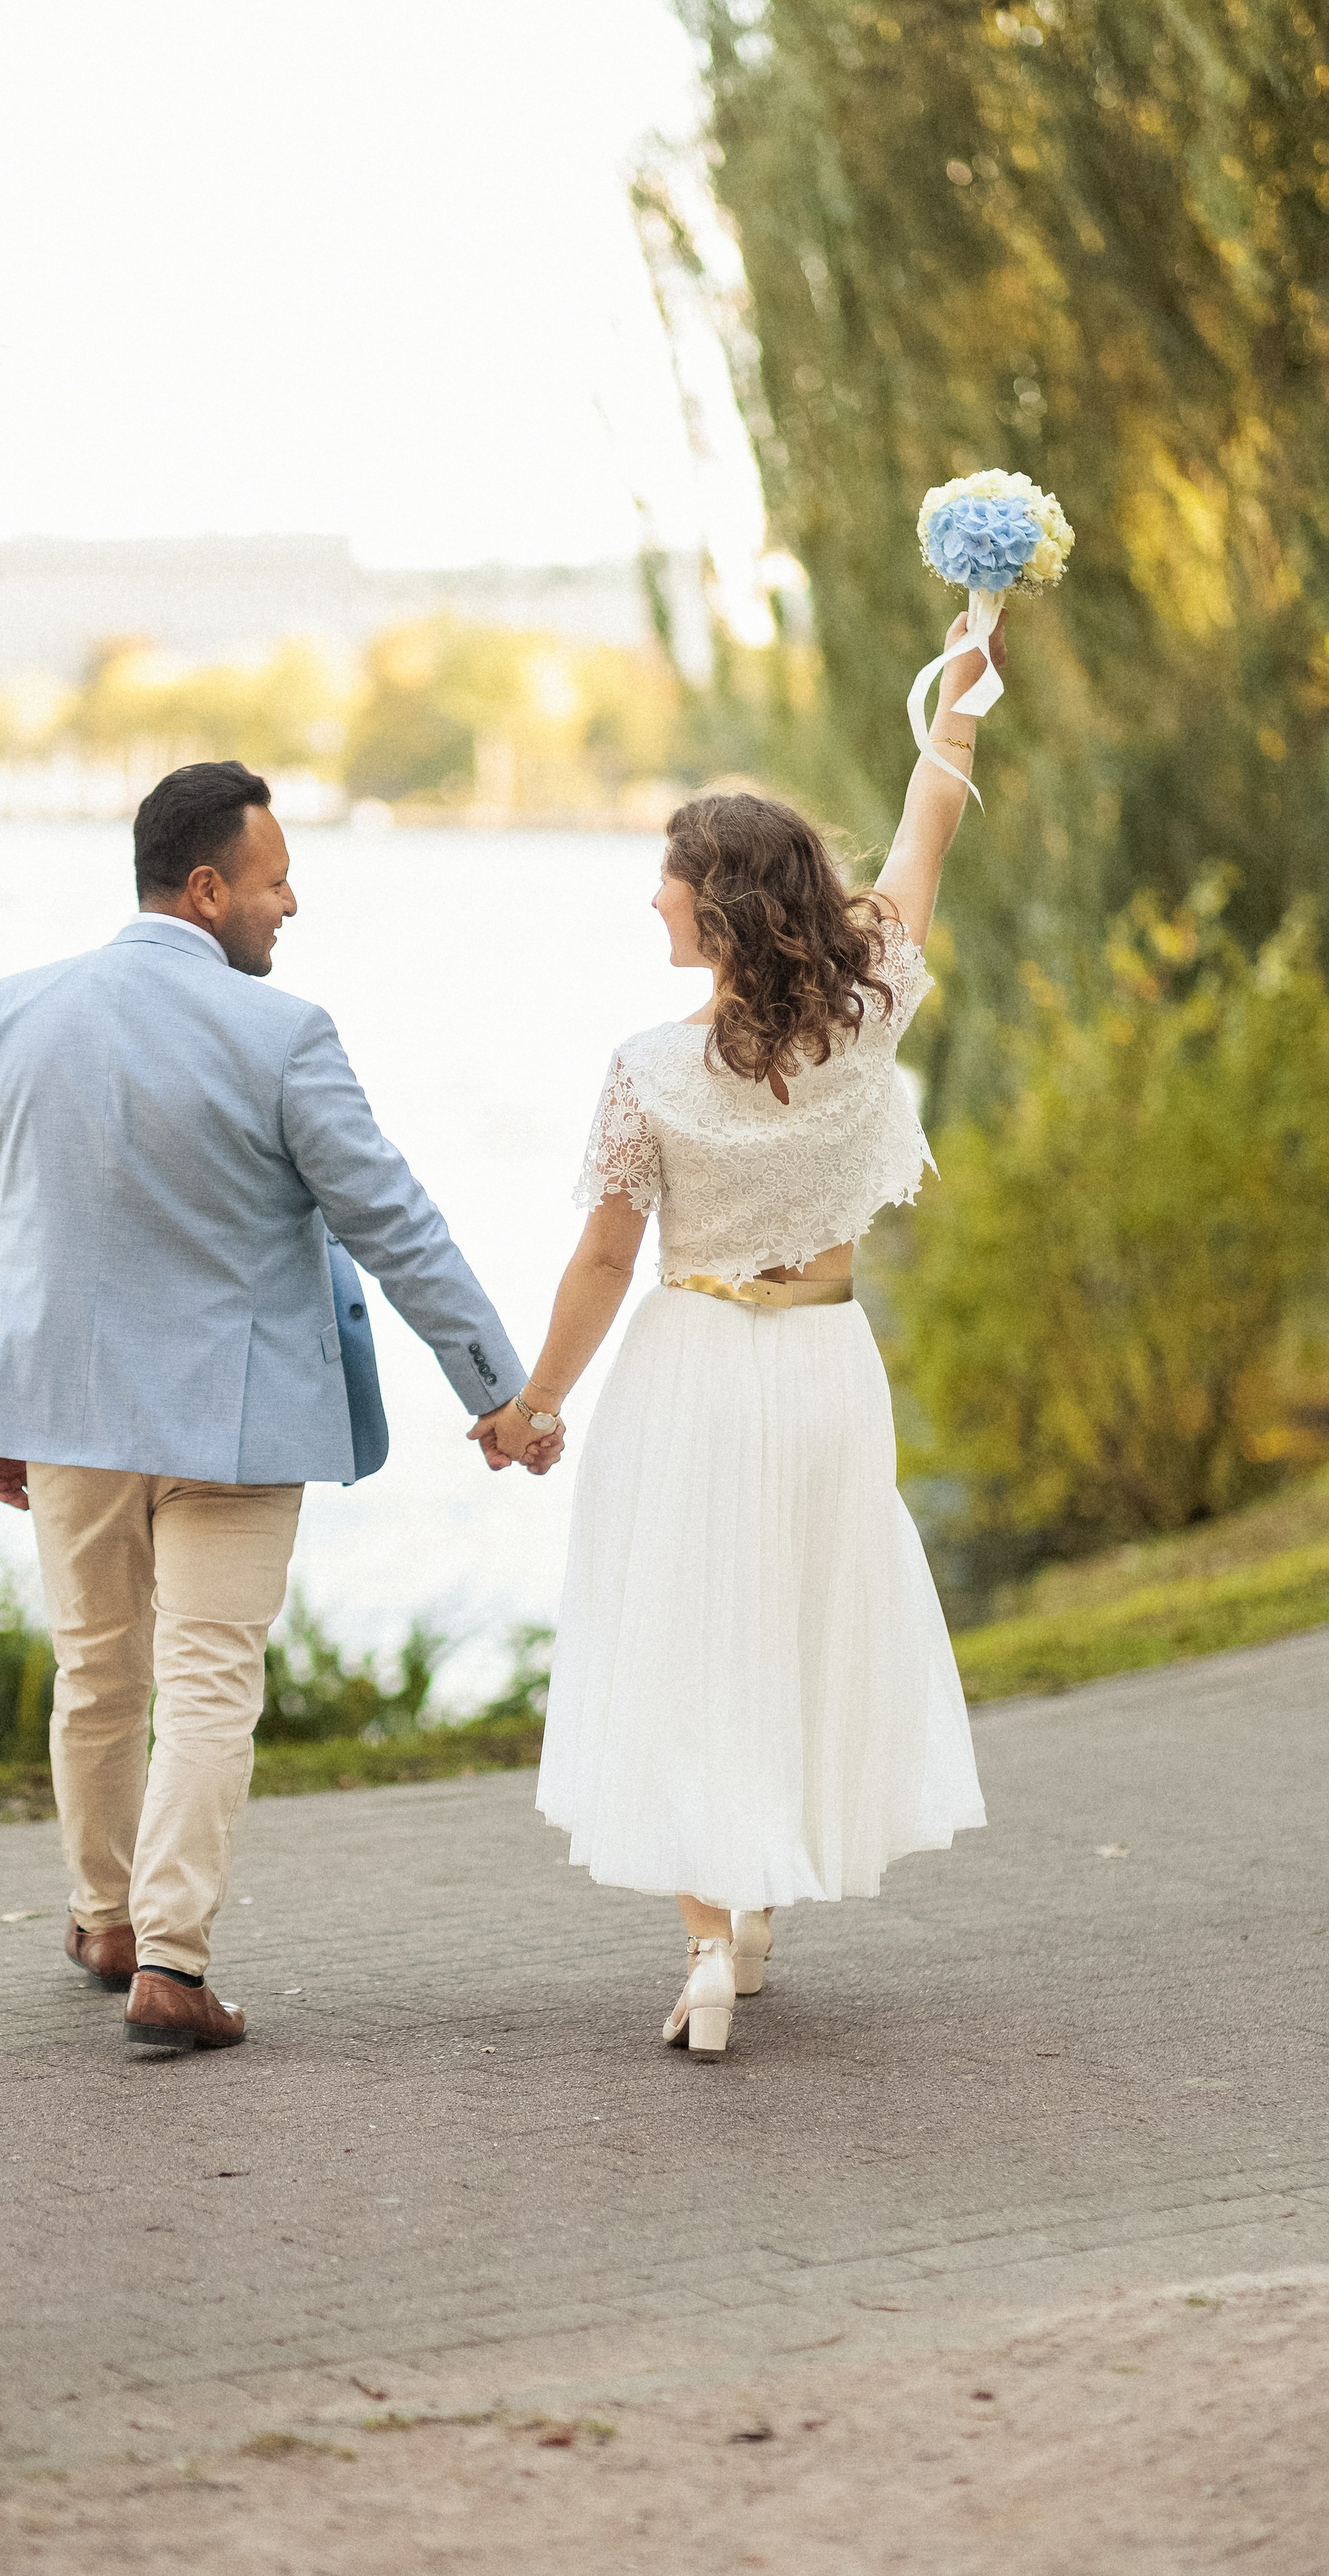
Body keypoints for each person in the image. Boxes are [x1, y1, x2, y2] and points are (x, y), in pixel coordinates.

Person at [0, 760, 558, 2059]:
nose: (292, 904)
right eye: (275, 881)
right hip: (233, 1424)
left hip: (60, 1412)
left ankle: (103, 1918)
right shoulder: (282, 1036)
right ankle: (170, 1959)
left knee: (98, 1673)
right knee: (210, 1680)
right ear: (210, 886)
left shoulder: (9, 1012)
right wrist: (501, 1390)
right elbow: (390, 1219)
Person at [487, 610, 1001, 2060]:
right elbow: (930, 811)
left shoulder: (647, 1071)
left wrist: (536, 1402)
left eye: (664, 885)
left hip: (691, 1364)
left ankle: (709, 1946)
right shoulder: (875, 998)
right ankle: (755, 1906)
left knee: (692, 1635)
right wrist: (958, 679)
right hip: (826, 1362)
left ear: (712, 902)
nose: (648, 907)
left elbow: (603, 1253)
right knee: (789, 1612)